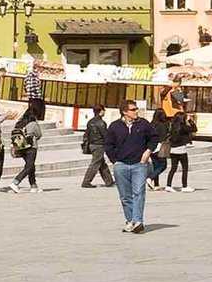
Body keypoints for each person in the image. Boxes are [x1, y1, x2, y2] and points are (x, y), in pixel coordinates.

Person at [105, 98, 155, 233]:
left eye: (136, 109)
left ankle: (138, 221)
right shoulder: (115, 126)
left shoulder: (143, 124)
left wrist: (148, 152)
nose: (136, 111)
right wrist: (115, 161)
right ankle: (130, 220)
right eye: (133, 109)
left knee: (139, 192)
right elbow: (108, 145)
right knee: (125, 196)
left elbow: (154, 138)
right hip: (121, 165)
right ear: (124, 112)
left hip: (139, 164)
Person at [80, 106, 114, 189]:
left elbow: (86, 134)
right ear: (101, 111)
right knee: (95, 163)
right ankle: (86, 182)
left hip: (92, 145)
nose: (104, 112)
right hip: (99, 145)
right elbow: (105, 135)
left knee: (102, 163)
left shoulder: (90, 122)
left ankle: (109, 181)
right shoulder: (101, 123)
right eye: (104, 110)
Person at [165, 106, 193, 193]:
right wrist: (190, 121)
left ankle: (168, 185)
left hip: (173, 150)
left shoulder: (172, 126)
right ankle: (184, 186)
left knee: (173, 168)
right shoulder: (183, 127)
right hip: (181, 150)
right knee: (185, 168)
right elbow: (194, 129)